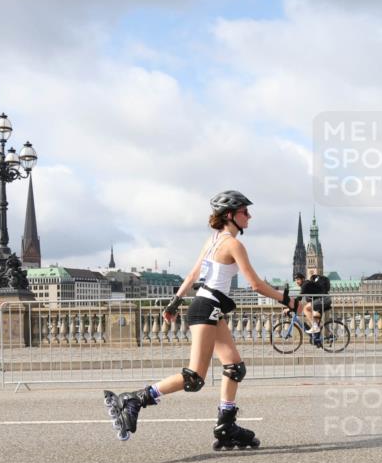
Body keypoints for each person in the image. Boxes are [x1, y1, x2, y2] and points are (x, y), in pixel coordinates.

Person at [104, 190, 300, 449]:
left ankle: (226, 426)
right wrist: (293, 302)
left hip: (210, 307)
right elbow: (255, 284)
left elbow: (193, 274)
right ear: (230, 215)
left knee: (234, 367)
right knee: (194, 376)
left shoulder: (212, 240)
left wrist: (175, 301)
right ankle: (135, 399)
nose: (249, 216)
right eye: (244, 211)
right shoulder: (233, 244)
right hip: (207, 307)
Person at [292, 272, 332, 346]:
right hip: (324, 300)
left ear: (303, 279)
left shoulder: (305, 285)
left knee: (306, 309)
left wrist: (289, 306)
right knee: (313, 317)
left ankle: (315, 327)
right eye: (295, 280)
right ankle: (318, 339)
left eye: (298, 279)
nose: (297, 281)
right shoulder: (307, 285)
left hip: (323, 299)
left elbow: (299, 298)